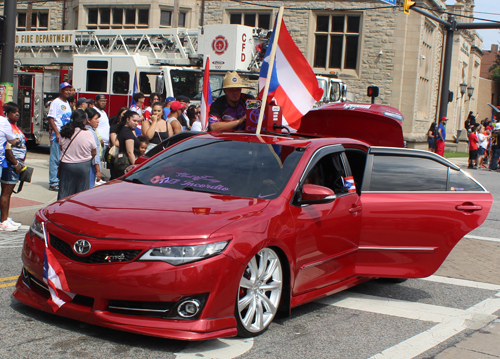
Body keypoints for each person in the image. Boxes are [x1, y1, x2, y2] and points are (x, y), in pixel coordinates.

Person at [58, 109, 97, 200]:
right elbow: (94, 152)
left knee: (64, 191)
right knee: (81, 194)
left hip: (66, 166)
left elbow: (61, 148)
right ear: (84, 121)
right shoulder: (88, 133)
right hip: (83, 166)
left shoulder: (64, 132)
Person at [0, 102, 25, 231]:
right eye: (14, 112)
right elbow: (8, 148)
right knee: (6, 192)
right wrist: (15, 163)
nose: (17, 114)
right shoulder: (5, 125)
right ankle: (3, 220)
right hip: (11, 163)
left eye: (18, 111)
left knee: (8, 193)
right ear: (7, 114)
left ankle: (5, 217)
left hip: (16, 163)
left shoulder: (13, 126)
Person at [48, 82, 73, 191]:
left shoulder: (67, 103)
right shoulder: (56, 102)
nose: (68, 92)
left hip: (66, 135)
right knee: (55, 159)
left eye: (69, 89)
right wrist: (57, 133)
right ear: (60, 90)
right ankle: (53, 182)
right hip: (57, 135)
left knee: (63, 160)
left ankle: (60, 180)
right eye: (66, 89)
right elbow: (50, 118)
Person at [116, 110, 141, 176]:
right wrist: (135, 167)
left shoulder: (124, 130)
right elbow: (130, 152)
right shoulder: (127, 132)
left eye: (138, 121)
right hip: (127, 163)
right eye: (134, 120)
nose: (136, 123)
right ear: (127, 119)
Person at [108, 107, 128, 180]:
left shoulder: (130, 128)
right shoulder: (114, 127)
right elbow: (114, 143)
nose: (125, 116)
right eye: (123, 114)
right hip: (116, 156)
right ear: (119, 115)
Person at [85, 107, 102, 188]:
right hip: (90, 167)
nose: (98, 121)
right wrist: (98, 170)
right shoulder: (91, 133)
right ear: (88, 120)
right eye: (95, 118)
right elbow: (95, 153)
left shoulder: (81, 130)